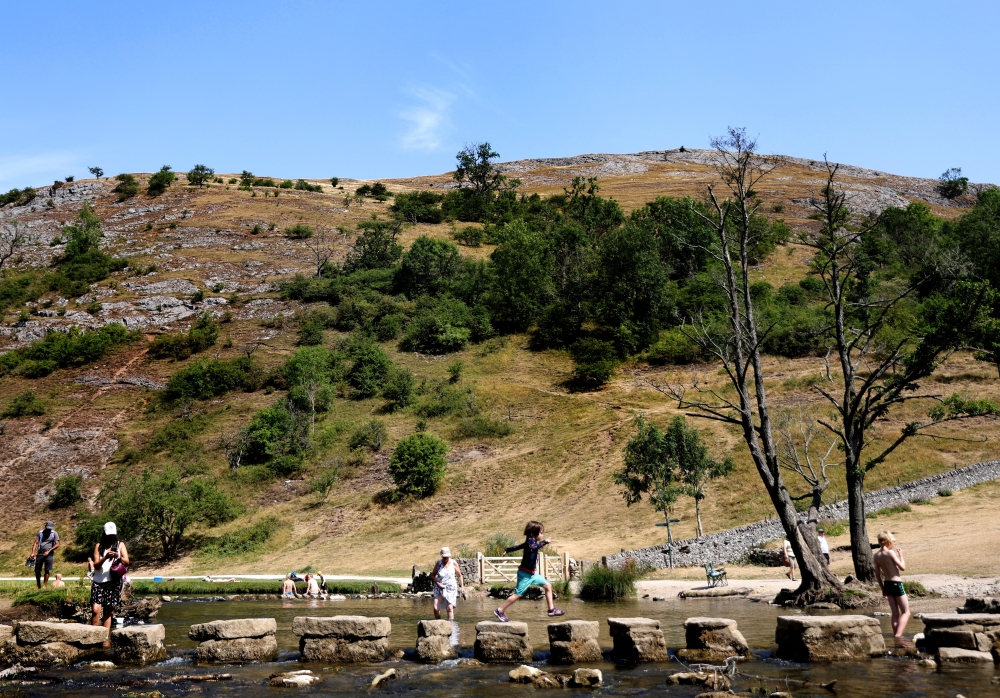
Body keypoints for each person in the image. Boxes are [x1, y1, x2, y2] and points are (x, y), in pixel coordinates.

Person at [494, 521, 565, 622]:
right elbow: (532, 548)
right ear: (534, 532)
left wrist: (508, 549)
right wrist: (545, 542)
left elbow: (519, 546)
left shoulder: (530, 541)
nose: (542, 534)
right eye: (541, 532)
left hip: (533, 574)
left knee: (548, 586)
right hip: (525, 574)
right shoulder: (531, 541)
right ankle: (500, 610)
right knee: (518, 594)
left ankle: (551, 610)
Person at [91, 522, 129, 648]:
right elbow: (96, 566)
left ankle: (105, 641)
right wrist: (105, 557)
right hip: (98, 581)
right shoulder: (98, 546)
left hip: (113, 582)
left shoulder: (120, 544)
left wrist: (118, 557)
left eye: (112, 535)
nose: (110, 537)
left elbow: (127, 561)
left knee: (108, 612)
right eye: (108, 535)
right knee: (95, 610)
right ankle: (94, 638)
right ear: (104, 534)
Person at [874, 530, 910, 638]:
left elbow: (877, 575)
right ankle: (898, 636)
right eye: (893, 542)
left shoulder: (876, 556)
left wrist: (882, 589)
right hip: (896, 584)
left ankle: (896, 635)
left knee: (895, 614)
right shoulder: (890, 553)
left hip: (887, 585)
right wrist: (901, 555)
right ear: (888, 542)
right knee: (906, 612)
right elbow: (902, 567)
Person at [432, 547, 464, 621]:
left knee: (449, 608)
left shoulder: (453, 563)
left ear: (449, 556)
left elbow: (459, 575)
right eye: (444, 557)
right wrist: (437, 583)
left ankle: (451, 627)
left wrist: (462, 586)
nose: (445, 558)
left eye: (447, 557)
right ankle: (439, 623)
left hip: (451, 587)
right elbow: (432, 576)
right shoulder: (439, 563)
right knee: (436, 608)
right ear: (441, 556)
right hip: (439, 586)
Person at [30, 521, 60, 588]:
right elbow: (36, 543)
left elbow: (57, 544)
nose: (48, 529)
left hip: (49, 554)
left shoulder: (54, 533)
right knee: (37, 570)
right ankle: (38, 585)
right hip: (40, 554)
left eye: (50, 528)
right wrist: (32, 552)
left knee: (47, 570)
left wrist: (49, 551)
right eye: (47, 528)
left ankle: (44, 585)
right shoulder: (40, 533)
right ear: (45, 526)